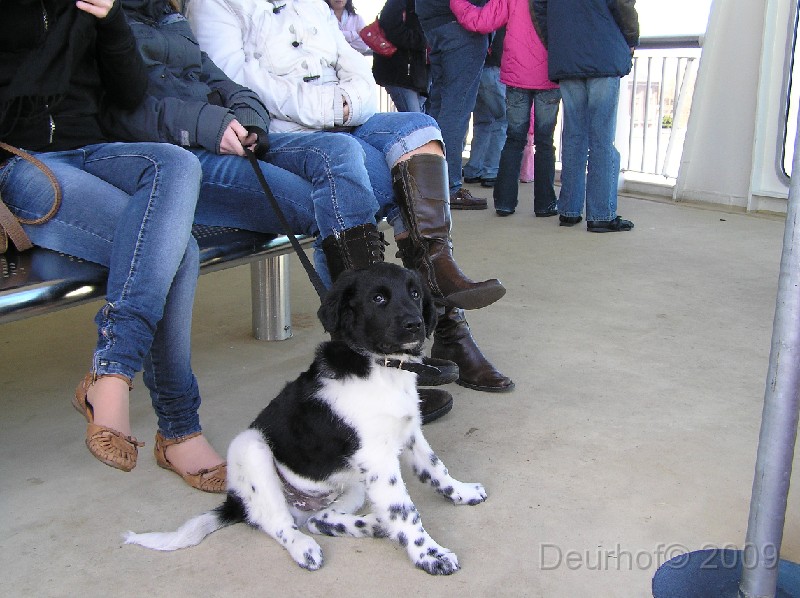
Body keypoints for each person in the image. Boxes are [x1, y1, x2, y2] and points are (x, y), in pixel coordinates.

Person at [186, 0, 514, 392]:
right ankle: (388, 349)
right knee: (369, 167)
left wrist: (347, 105)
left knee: (420, 128)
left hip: (342, 122)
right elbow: (235, 81)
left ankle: (437, 272)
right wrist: (328, 106)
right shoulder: (213, 5)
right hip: (276, 133)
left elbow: (356, 65)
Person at [0, 0, 226, 491]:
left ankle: (111, 369)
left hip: (91, 151)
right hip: (21, 162)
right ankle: (179, 426)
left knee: (177, 164)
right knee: (178, 251)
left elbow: (129, 93)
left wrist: (110, 20)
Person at [532, 0, 638, 232]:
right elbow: (622, 5)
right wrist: (631, 40)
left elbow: (538, 10)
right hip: (604, 52)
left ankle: (569, 210)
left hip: (567, 54)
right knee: (601, 139)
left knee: (574, 136)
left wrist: (557, 43)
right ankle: (601, 214)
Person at [451, 0, 560, 218]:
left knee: (514, 139)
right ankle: (545, 204)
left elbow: (481, 21)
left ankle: (504, 203)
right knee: (545, 142)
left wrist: (456, 2)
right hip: (550, 74)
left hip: (516, 74)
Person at [416, 0, 489, 210]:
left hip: (433, 22)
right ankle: (450, 186)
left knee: (439, 105)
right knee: (456, 108)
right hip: (461, 22)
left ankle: (431, 182)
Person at [462, 28, 507, 189]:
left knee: (483, 122)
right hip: (495, 66)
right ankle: (491, 171)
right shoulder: (504, 8)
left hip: (477, 66)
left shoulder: (481, 6)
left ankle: (474, 168)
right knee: (502, 120)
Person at [372, 0, 430, 114]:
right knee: (416, 120)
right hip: (401, 72)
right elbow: (392, 28)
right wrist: (423, 41)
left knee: (420, 119)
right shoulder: (397, 3)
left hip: (420, 72)